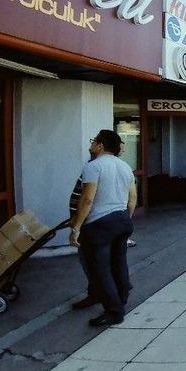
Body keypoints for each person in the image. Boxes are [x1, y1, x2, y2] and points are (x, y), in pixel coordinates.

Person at [69, 130, 137, 326]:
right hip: (122, 220)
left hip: (100, 225)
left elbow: (87, 199)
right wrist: (124, 219)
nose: (91, 144)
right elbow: (132, 198)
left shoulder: (93, 166)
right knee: (119, 263)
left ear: (100, 145)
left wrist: (76, 227)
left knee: (101, 269)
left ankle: (114, 312)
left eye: (93, 141)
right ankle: (121, 299)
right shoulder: (125, 166)